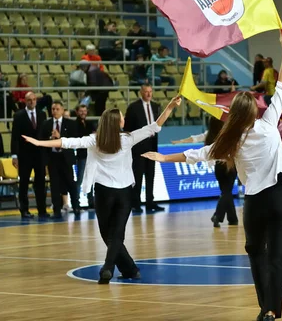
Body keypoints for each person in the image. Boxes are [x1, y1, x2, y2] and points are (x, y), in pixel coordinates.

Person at [145, 34, 282, 321]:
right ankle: (272, 309)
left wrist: (164, 158)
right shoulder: (268, 123)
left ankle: (266, 308)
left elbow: (197, 154)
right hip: (280, 198)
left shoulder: (230, 140)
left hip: (255, 204)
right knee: (278, 258)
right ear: (254, 110)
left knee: (255, 253)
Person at [22, 96, 181, 284]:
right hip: (124, 194)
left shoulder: (95, 139)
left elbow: (68, 142)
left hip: (104, 193)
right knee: (116, 235)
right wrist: (170, 106)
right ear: (117, 122)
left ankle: (108, 267)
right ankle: (129, 269)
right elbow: (155, 125)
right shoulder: (128, 138)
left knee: (110, 235)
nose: (124, 119)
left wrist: (40, 143)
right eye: (121, 117)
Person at [174, 117, 239, 228]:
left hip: (218, 167)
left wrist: (180, 141)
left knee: (225, 192)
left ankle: (232, 218)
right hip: (229, 166)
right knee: (227, 192)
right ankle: (217, 215)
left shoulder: (210, 134)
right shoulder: (228, 133)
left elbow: (195, 138)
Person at [124, 84, 163, 213]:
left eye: (150, 92)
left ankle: (150, 202)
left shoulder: (156, 107)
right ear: (141, 92)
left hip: (152, 144)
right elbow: (128, 128)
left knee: (151, 175)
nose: (148, 94)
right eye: (146, 92)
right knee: (138, 175)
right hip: (138, 147)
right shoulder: (133, 107)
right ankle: (135, 203)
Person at [11, 92, 49, 219]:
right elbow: (15, 137)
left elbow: (44, 135)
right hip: (24, 155)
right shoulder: (18, 115)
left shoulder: (42, 114)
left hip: (39, 154)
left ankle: (42, 210)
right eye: (29, 100)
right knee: (24, 183)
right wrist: (14, 155)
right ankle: (24, 210)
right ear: (25, 101)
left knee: (40, 183)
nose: (32, 102)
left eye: (33, 100)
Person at [40, 101, 79, 218]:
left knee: (70, 183)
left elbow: (74, 139)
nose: (55, 111)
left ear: (62, 110)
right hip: (53, 158)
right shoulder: (46, 124)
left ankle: (76, 206)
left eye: (57, 109)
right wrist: (50, 138)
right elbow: (42, 141)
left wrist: (60, 137)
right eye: (53, 109)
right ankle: (56, 209)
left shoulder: (70, 123)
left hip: (65, 157)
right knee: (54, 185)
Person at [74, 104, 96, 207]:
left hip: (90, 155)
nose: (83, 112)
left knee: (90, 178)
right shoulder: (74, 124)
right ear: (77, 112)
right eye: (81, 111)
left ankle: (91, 201)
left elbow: (93, 135)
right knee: (80, 179)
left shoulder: (90, 123)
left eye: (85, 110)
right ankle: (76, 201)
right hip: (81, 156)